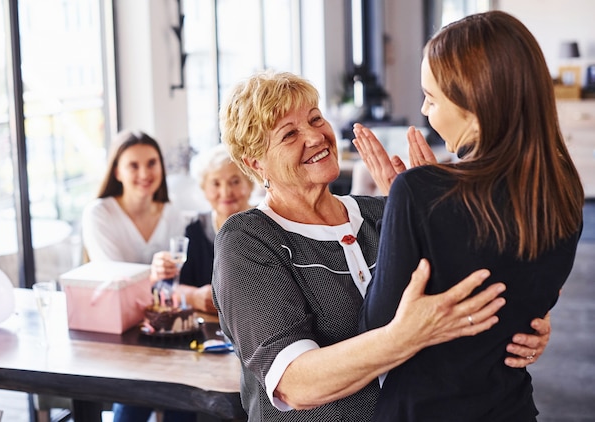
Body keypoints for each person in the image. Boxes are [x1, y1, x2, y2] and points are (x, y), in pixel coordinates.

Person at [211, 70, 552, 421]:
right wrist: (404, 337)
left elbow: (460, 296)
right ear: (255, 163)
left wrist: (520, 320)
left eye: (315, 119)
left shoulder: (382, 212)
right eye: (290, 134)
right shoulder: (249, 239)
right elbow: (296, 384)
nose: (315, 136)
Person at [358, 11, 584, 421]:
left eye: (431, 98)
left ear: (474, 104)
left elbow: (377, 331)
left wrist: (401, 207)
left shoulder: (417, 193)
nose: (426, 111)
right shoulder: (564, 189)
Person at [81, 129, 196, 422]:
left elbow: (175, 281)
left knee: (184, 398)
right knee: (134, 404)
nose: (145, 173)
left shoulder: (171, 212)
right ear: (117, 171)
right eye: (134, 165)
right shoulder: (99, 214)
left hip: (162, 326)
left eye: (152, 163)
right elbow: (113, 281)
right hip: (120, 330)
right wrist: (154, 275)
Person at [150, 142, 255, 312]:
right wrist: (194, 296)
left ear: (250, 184)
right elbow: (169, 286)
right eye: (215, 183)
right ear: (204, 190)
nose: (226, 192)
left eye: (235, 181)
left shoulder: (267, 227)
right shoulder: (194, 230)